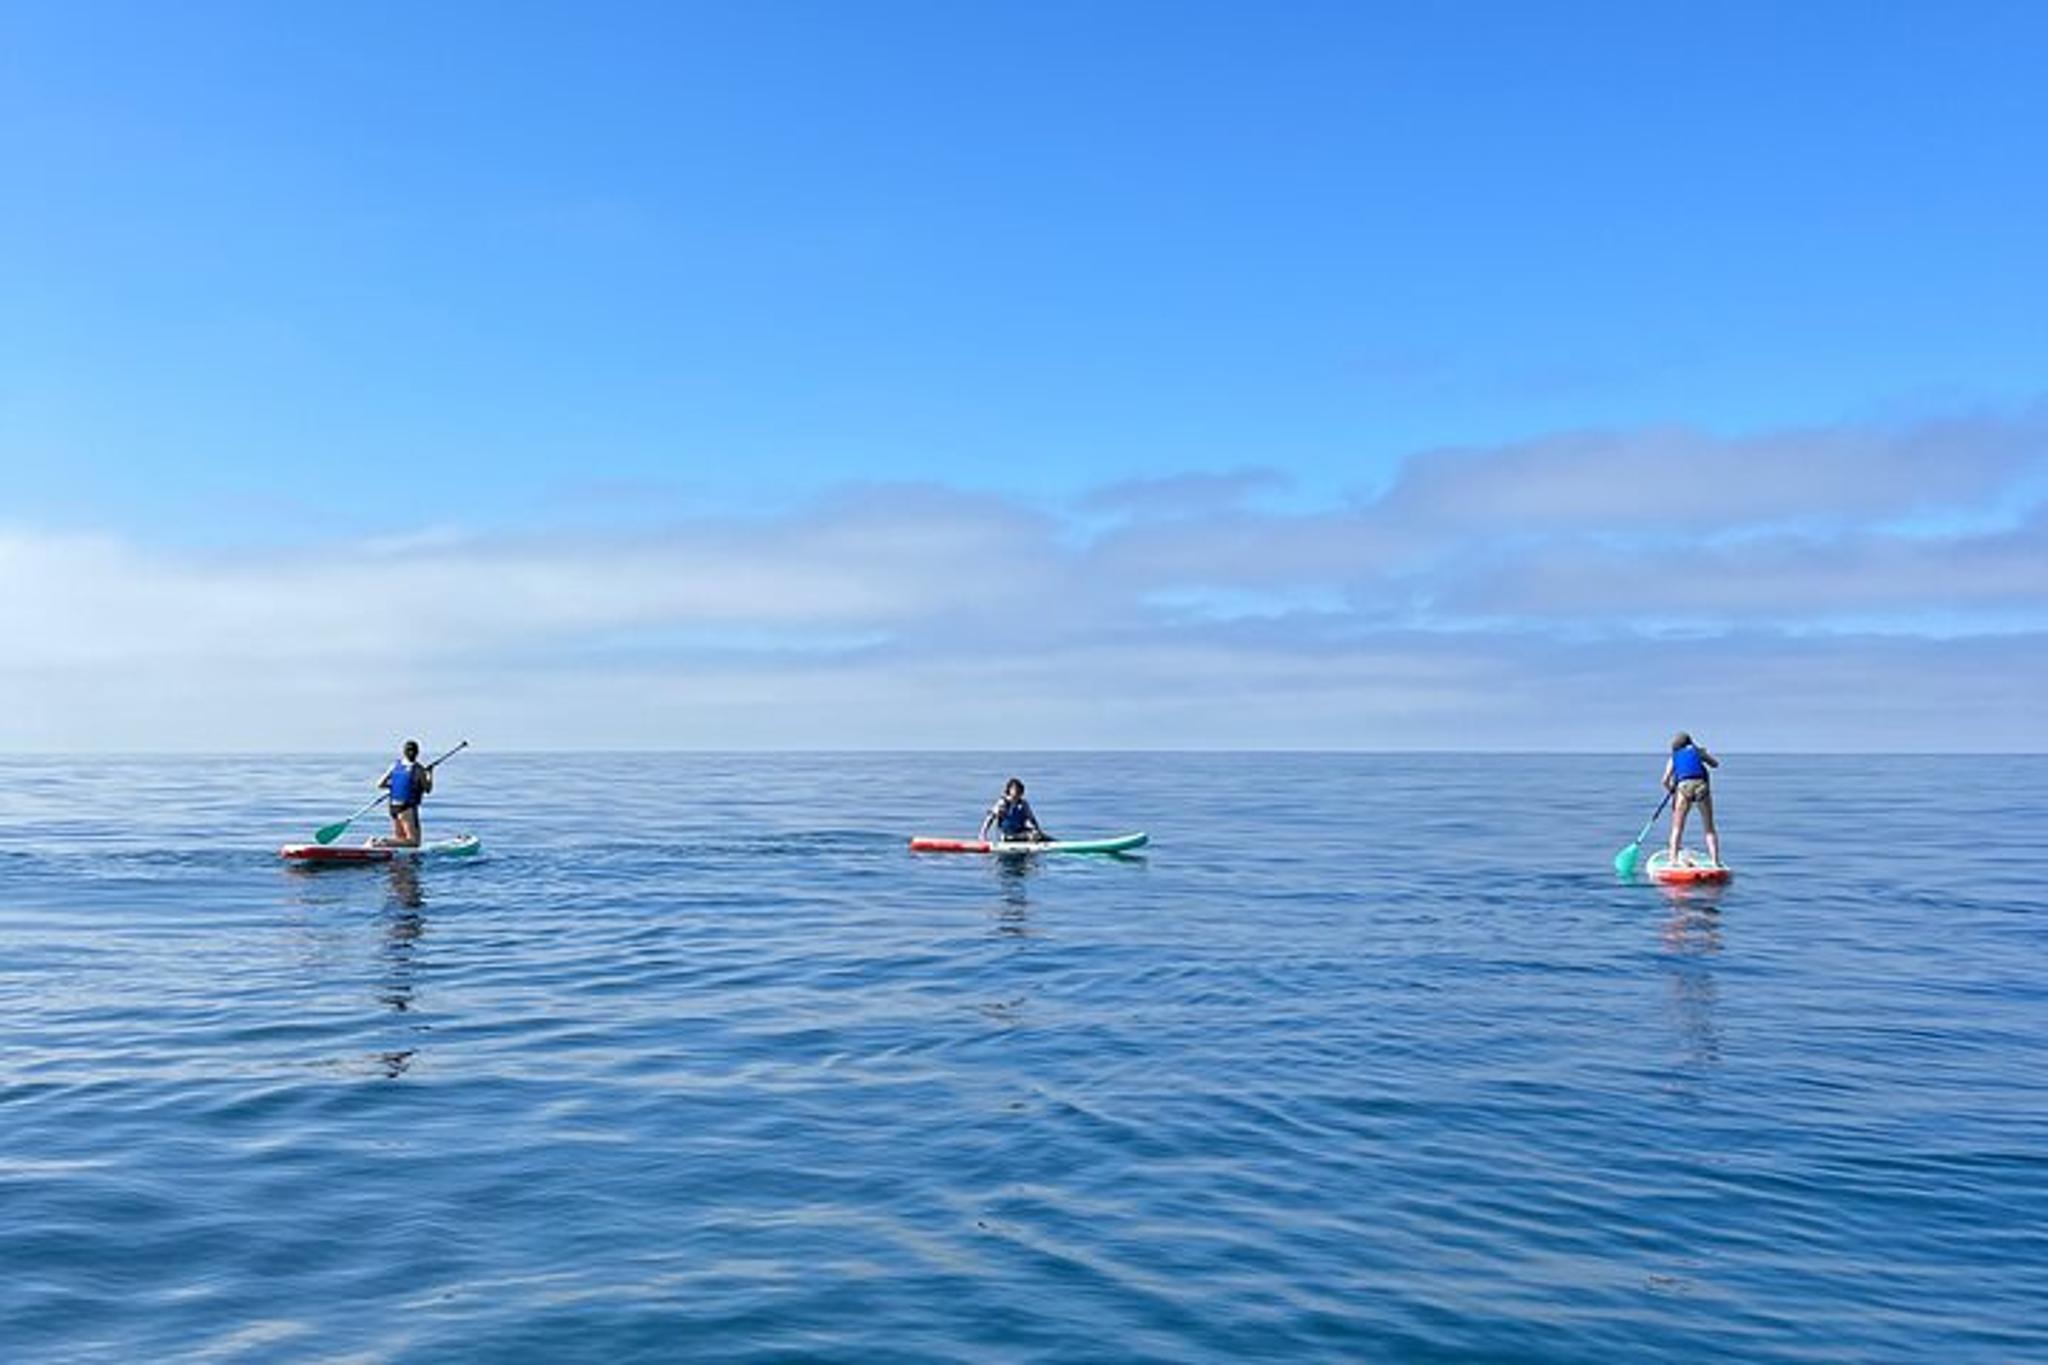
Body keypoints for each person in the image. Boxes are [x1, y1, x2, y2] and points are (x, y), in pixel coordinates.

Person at [1662, 731, 1721, 867]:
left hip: (1683, 789)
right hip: (1702, 787)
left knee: (1677, 828)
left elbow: (1664, 780)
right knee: (1709, 828)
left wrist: (1671, 790)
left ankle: (1673, 862)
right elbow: (1715, 764)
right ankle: (1715, 862)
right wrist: (1703, 753)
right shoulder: (1698, 752)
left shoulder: (1673, 757)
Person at [376, 739, 434, 847]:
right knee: (414, 842)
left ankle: (393, 854)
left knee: (401, 841)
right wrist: (430, 774)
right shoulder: (418, 769)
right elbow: (428, 789)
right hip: (406, 808)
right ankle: (381, 842)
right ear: (417, 753)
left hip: (393, 807)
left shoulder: (395, 766)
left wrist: (394, 787)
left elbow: (380, 784)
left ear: (404, 752)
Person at [979, 778, 1049, 844]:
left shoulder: (1023, 804)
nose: (1018, 792)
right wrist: (983, 835)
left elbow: (1032, 819)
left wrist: (1037, 830)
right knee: (1032, 836)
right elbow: (990, 818)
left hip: (1019, 831)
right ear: (1009, 790)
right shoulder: (1003, 803)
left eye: (1020, 790)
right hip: (1007, 835)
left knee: (1039, 835)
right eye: (1016, 790)